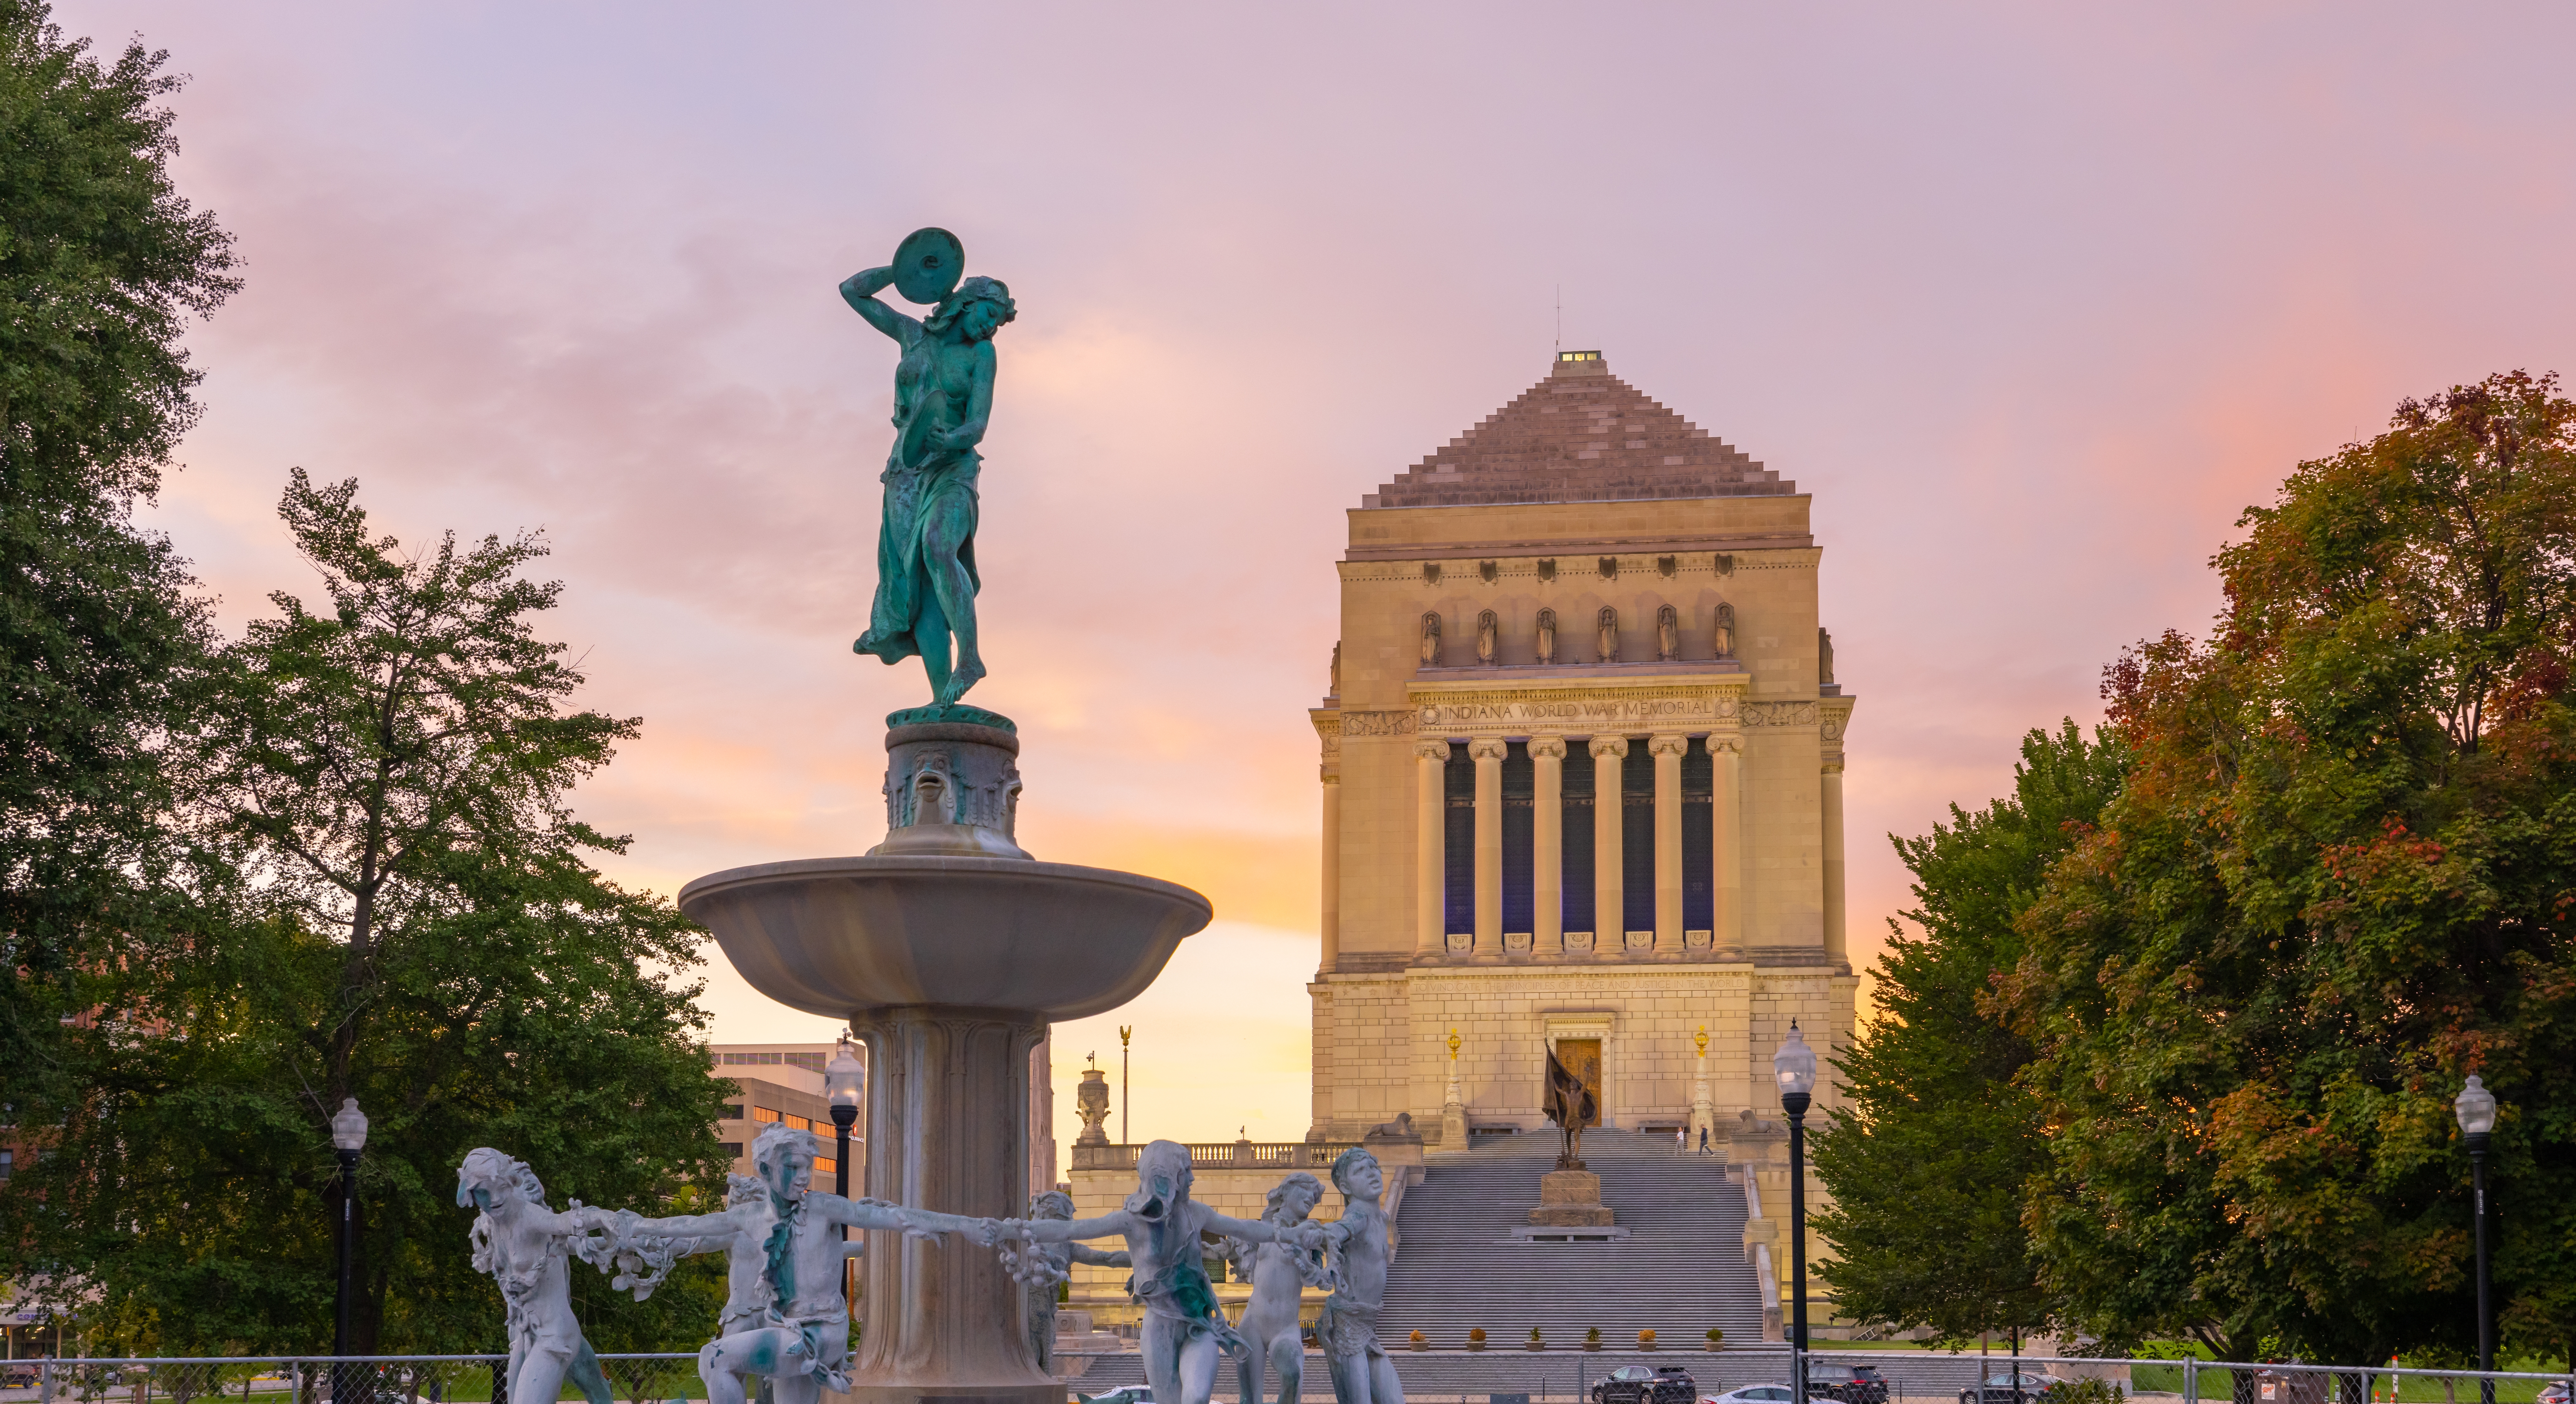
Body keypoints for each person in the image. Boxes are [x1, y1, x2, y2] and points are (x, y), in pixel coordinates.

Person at [585, 1123, 970, 1404]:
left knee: (714, 1357)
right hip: (786, 1327)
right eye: (793, 1167)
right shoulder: (749, 1217)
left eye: (807, 1166)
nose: (804, 1176)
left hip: (819, 1331)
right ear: (766, 1170)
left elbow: (894, 1218)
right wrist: (635, 1226)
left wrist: (973, 1227)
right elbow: (690, 1225)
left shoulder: (823, 1208)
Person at [989, 1140, 1324, 1404]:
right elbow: (1071, 1230)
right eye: (1187, 1172)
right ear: (1165, 1177)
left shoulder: (1197, 1213)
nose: (1193, 1179)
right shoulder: (1130, 1221)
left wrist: (1295, 1234)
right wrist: (1011, 1229)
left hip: (1201, 1323)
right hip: (1159, 1325)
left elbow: (1250, 1230)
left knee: (1194, 1398)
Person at [840, 265, 1018, 706]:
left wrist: (953, 439)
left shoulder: (982, 356)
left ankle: (971, 658)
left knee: (939, 545)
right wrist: (907, 266)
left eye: (998, 321)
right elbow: (853, 292)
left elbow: (977, 423)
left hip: (953, 465)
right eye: (988, 313)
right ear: (965, 303)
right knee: (917, 589)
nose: (991, 326)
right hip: (907, 471)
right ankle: (941, 703)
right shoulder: (912, 336)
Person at [455, 1149, 617, 1404]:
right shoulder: (496, 1225)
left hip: (554, 1334)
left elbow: (565, 1223)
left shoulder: (531, 1217)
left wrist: (605, 1218)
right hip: (526, 1334)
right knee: (597, 1390)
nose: (495, 1200)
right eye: (484, 1192)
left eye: (502, 1189)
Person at [1226, 1173, 1333, 1404]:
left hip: (1284, 1328)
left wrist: (1308, 1260)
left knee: (1292, 1376)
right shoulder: (1263, 1230)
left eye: (1315, 1196)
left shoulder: (1310, 1233)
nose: (1311, 1198)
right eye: (1305, 1190)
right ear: (1285, 1192)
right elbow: (1231, 1246)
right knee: (1249, 1400)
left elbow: (1319, 1280)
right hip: (1252, 1323)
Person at [1314, 1148, 1404, 1404]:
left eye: (1373, 1167)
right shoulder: (1359, 1215)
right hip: (1347, 1327)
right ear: (1345, 1186)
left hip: (1366, 1327)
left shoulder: (1380, 1217)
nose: (1372, 1174)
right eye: (1360, 1171)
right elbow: (1342, 1229)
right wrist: (1328, 1235)